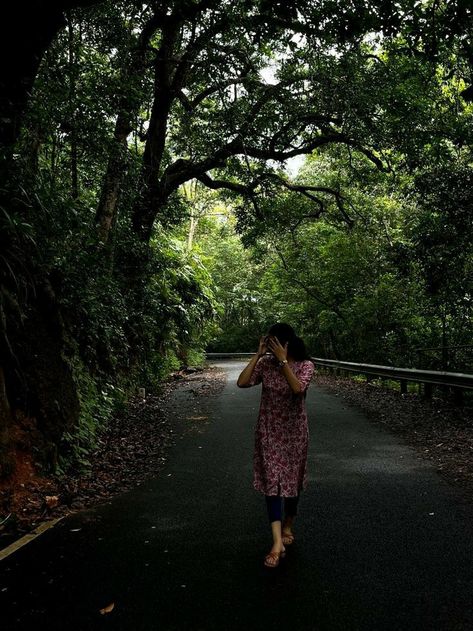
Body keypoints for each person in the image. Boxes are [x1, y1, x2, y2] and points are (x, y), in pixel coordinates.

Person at [237, 322, 315, 568]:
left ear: (286, 342)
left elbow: (297, 389)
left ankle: (289, 524)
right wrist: (258, 355)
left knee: (292, 484)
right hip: (269, 432)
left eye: (274, 343)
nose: (271, 348)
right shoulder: (265, 365)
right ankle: (276, 541)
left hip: (294, 434)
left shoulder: (305, 365)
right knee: (272, 483)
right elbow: (242, 382)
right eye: (268, 343)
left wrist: (283, 362)